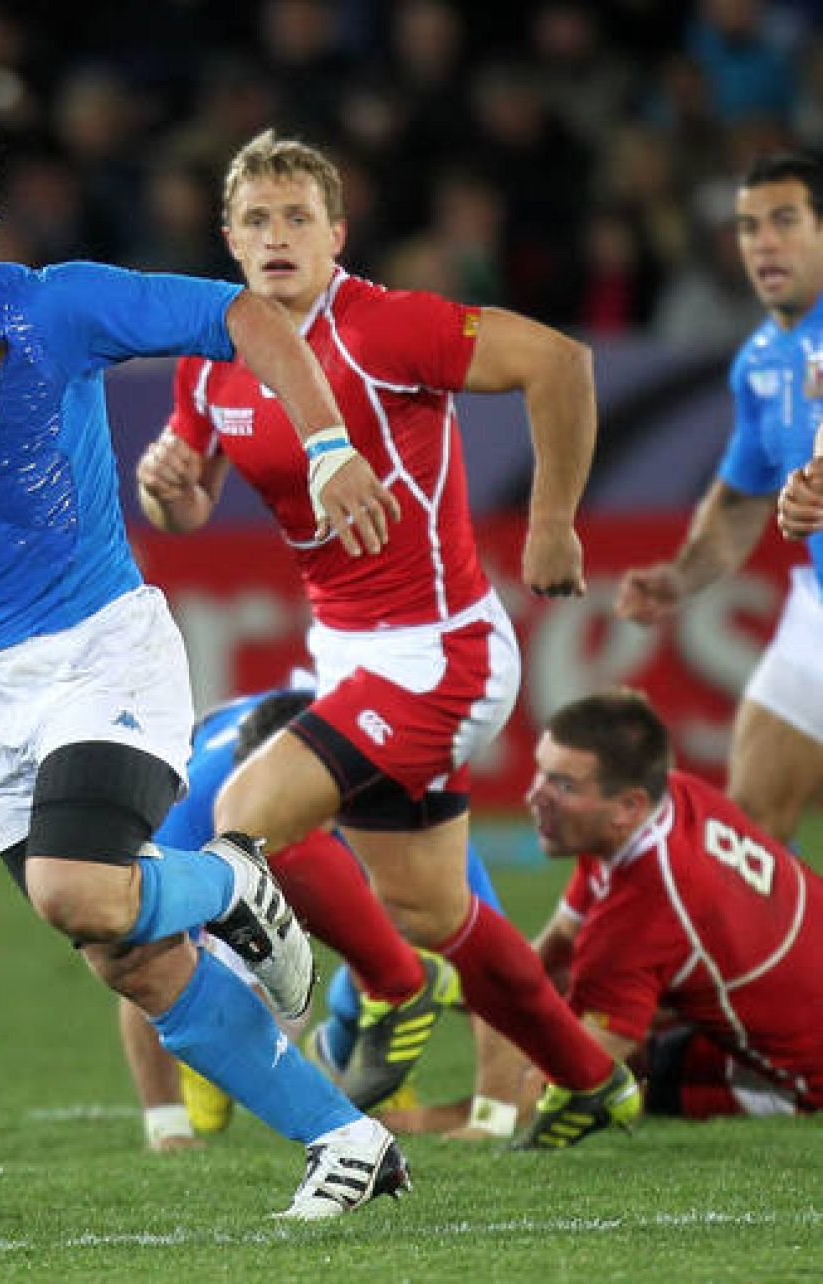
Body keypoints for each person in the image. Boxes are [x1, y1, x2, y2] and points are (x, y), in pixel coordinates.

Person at [0, 91, 406, 1221]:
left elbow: (248, 318)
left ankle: (227, 880)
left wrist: (328, 443)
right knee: (122, 952)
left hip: (101, 651)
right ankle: (347, 1140)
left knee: (78, 887)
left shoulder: (55, 306)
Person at [135, 129, 639, 1150]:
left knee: (246, 815)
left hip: (441, 651)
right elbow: (187, 505)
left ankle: (392, 991)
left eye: (298, 218)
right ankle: (592, 1081)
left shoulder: (386, 327)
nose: (278, 236)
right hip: (350, 655)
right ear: (230, 239)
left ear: (337, 234)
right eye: (257, 220)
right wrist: (165, 485)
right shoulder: (212, 358)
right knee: (433, 909)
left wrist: (551, 522)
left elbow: (560, 363)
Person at [118, 683, 523, 1151]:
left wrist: (492, 1114)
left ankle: (347, 1047)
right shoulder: (187, 814)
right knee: (267, 1005)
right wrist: (168, 1127)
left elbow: (488, 962)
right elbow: (139, 958)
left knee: (424, 940)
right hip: (225, 836)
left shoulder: (400, 800)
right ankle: (214, 1052)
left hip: (331, 769)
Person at [617, 151, 823, 846]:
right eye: (749, 227)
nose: (763, 242)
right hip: (818, 613)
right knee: (751, 822)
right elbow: (740, 502)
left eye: (785, 221)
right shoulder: (763, 360)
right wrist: (683, 576)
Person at [525, 689, 823, 1118]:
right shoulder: (674, 795)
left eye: (564, 785)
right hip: (791, 996)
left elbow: (566, 1079)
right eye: (541, 772)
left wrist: (477, 1113)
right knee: (632, 1034)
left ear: (628, 806)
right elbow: (552, 954)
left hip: (805, 1073)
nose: (536, 795)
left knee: (619, 1090)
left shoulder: (642, 909)